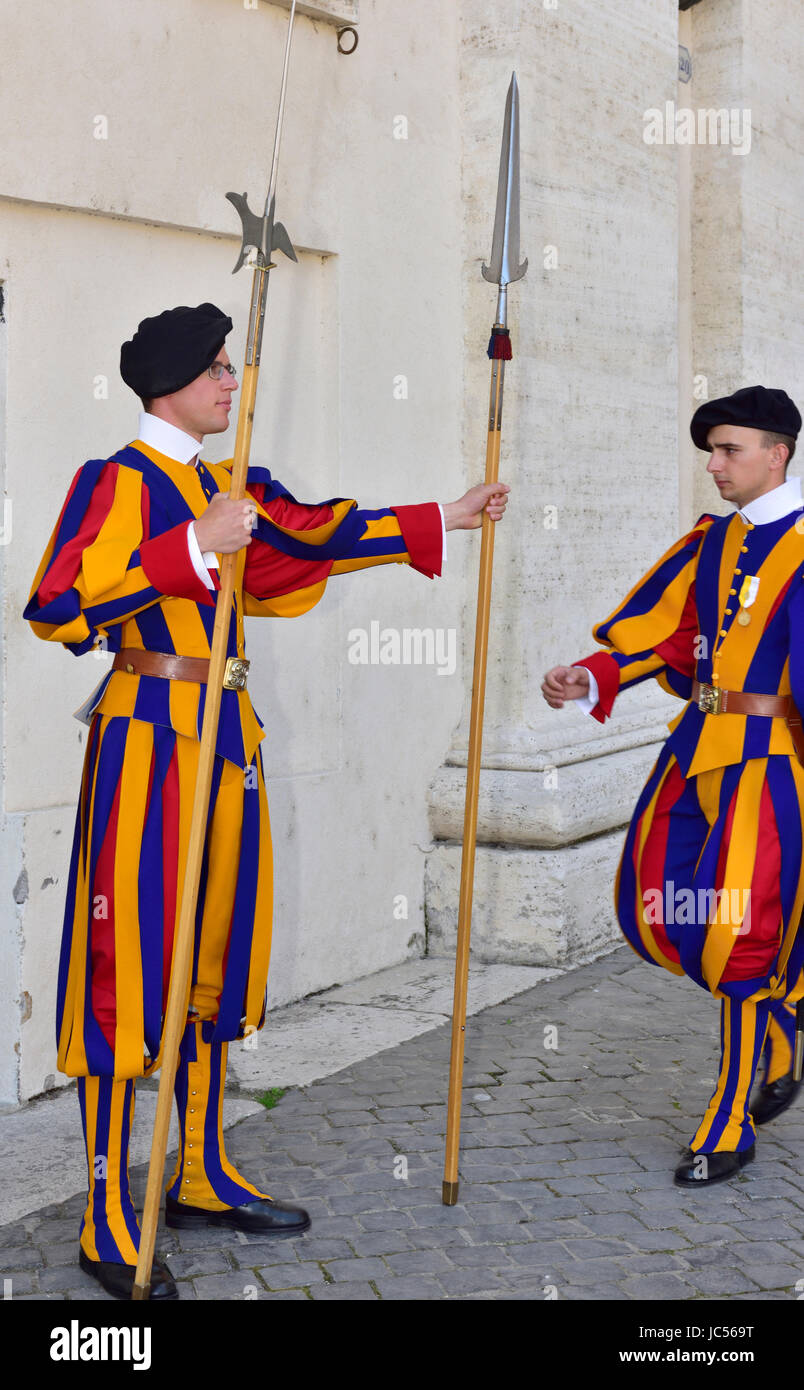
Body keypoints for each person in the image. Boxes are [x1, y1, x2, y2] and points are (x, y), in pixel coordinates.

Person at [24, 302, 510, 1299]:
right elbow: (57, 602)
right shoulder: (113, 482)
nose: (232, 382)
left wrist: (437, 517)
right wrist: (187, 546)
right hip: (147, 737)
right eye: (214, 370)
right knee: (129, 964)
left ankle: (197, 1170)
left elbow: (306, 537)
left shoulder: (231, 480)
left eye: (231, 366)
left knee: (212, 961)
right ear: (167, 385)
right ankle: (111, 1210)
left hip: (227, 742)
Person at [542, 385, 804, 1188]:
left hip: (774, 764)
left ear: (777, 454)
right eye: (711, 452)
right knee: (659, 898)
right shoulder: (712, 541)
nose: (715, 466)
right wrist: (589, 676)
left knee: (740, 937)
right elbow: (673, 637)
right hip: (695, 751)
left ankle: (728, 1123)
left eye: (729, 450)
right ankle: (786, 1010)